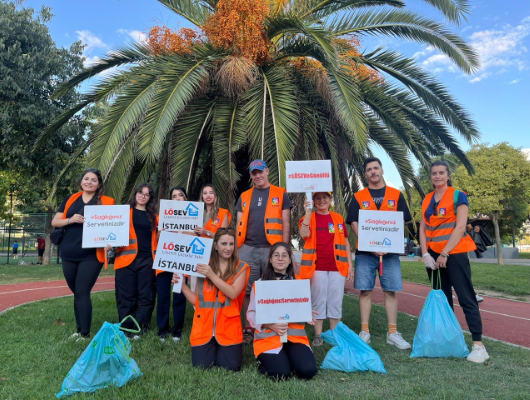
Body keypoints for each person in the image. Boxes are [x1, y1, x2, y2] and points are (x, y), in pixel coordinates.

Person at [419, 160, 489, 363]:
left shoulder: (459, 195)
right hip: (433, 255)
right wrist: (425, 254)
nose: (438, 176)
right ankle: (449, 340)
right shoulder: (427, 199)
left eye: (441, 172)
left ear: (448, 175)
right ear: (431, 177)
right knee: (442, 298)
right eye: (434, 173)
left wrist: (445, 254)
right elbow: (423, 229)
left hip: (454, 254)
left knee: (466, 297)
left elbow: (460, 227)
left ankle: (478, 345)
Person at [346, 157, 412, 349]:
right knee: (365, 290)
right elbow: (354, 222)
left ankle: (393, 332)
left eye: (376, 168)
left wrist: (388, 242)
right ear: (365, 174)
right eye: (369, 169)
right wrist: (369, 242)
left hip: (389, 252)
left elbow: (401, 221)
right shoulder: (359, 196)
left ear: (382, 170)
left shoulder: (396, 194)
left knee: (390, 290)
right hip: (365, 253)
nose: (373, 172)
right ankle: (364, 331)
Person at [172, 229, 250, 371]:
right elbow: (198, 301)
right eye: (224, 243)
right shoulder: (203, 266)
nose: (228, 248)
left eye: (231, 244)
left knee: (231, 366)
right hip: (204, 327)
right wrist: (183, 286)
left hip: (228, 328)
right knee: (201, 365)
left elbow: (232, 294)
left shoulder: (241, 267)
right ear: (215, 246)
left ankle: (222, 350)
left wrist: (212, 275)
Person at [51, 168, 114, 340]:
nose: (89, 182)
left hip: (92, 255)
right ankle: (79, 330)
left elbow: (114, 224)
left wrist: (110, 241)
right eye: (86, 178)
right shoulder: (71, 199)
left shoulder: (106, 202)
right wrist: (71, 220)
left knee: (82, 290)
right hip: (69, 252)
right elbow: (55, 221)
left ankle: (85, 334)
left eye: (94, 180)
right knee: (77, 292)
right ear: (81, 181)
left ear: (99, 184)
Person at [235, 159, 292, 344]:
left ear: (267, 171)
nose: (257, 175)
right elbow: (238, 224)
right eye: (254, 173)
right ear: (251, 175)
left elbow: (286, 223)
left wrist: (284, 249)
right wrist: (236, 248)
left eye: (260, 171)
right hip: (247, 248)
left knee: (273, 289)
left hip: (272, 249)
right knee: (248, 291)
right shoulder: (244, 196)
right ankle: (249, 329)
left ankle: (273, 327)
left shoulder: (280, 193)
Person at [247, 243, 318, 381]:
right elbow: (251, 313)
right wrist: (269, 325)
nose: (280, 259)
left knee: (308, 371)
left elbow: (298, 307)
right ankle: (265, 360)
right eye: (276, 255)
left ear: (290, 259)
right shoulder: (260, 284)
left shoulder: (298, 283)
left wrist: (306, 312)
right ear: (270, 259)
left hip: (294, 338)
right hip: (269, 338)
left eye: (284, 255)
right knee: (280, 374)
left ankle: (289, 357)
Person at [299, 192, 353, 347]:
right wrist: (308, 213)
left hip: (338, 267)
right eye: (317, 198)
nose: (321, 201)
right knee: (318, 300)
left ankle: (334, 334)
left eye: (325, 198)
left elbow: (346, 242)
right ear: (313, 201)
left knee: (336, 301)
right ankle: (318, 335)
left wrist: (350, 264)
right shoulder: (308, 218)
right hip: (316, 268)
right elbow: (303, 234)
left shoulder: (338, 218)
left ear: (330, 200)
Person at [114, 183, 158, 338]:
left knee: (146, 295)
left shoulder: (155, 217)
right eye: (140, 192)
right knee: (126, 296)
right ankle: (126, 328)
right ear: (135, 194)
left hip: (147, 260)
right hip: (125, 260)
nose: (143, 196)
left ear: (150, 198)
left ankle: (141, 327)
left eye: (147, 194)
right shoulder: (123, 213)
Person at [156, 186, 189, 343]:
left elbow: (196, 237)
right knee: (163, 296)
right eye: (174, 196)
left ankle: (177, 330)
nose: (177, 198)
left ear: (185, 199)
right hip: (165, 259)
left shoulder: (192, 216)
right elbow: (156, 240)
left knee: (179, 296)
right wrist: (160, 233)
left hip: (182, 260)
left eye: (180, 195)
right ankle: (162, 330)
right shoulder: (162, 216)